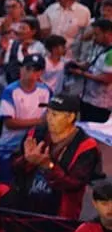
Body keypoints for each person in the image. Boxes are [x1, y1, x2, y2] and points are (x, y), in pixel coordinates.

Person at [7, 93, 102, 221]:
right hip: (24, 208)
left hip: (59, 215)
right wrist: (26, 160)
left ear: (70, 117)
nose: (49, 118)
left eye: (55, 115)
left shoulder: (86, 146)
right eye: (48, 112)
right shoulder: (35, 133)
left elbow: (74, 184)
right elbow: (14, 166)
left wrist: (49, 167)